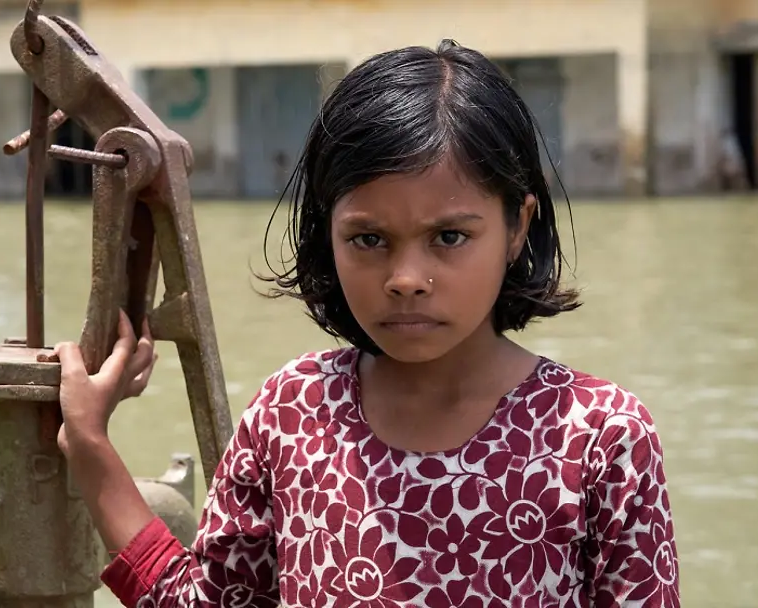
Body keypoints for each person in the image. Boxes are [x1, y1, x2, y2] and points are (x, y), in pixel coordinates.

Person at [53, 40, 680, 607]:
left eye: (450, 236)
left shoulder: (600, 439)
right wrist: (89, 445)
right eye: (370, 238)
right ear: (329, 233)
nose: (405, 276)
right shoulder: (293, 412)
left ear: (517, 226)